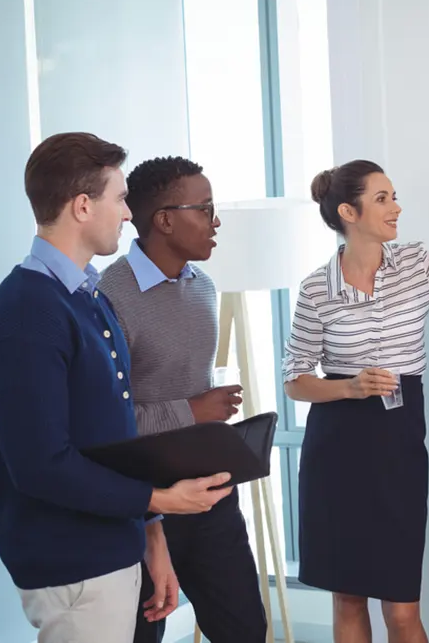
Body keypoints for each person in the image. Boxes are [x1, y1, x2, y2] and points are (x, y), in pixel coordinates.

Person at [0, 132, 233, 643]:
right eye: (119, 199)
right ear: (83, 206)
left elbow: (112, 441)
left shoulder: (87, 299)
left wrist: (151, 532)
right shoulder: (25, 315)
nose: (130, 214)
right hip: (73, 565)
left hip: (115, 549)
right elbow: (42, 467)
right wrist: (162, 497)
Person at [282, 160, 429, 643]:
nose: (397, 207)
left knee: (402, 608)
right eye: (383, 199)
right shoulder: (315, 289)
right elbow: (294, 378)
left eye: (394, 196)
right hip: (335, 452)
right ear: (349, 211)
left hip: (398, 447)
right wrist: (350, 387)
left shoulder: (416, 264)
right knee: (348, 599)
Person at [98, 156, 267, 643]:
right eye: (205, 208)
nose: (216, 222)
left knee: (246, 631)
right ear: (164, 219)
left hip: (212, 498)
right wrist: (193, 411)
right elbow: (108, 425)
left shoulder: (205, 289)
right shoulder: (108, 297)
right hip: (144, 507)